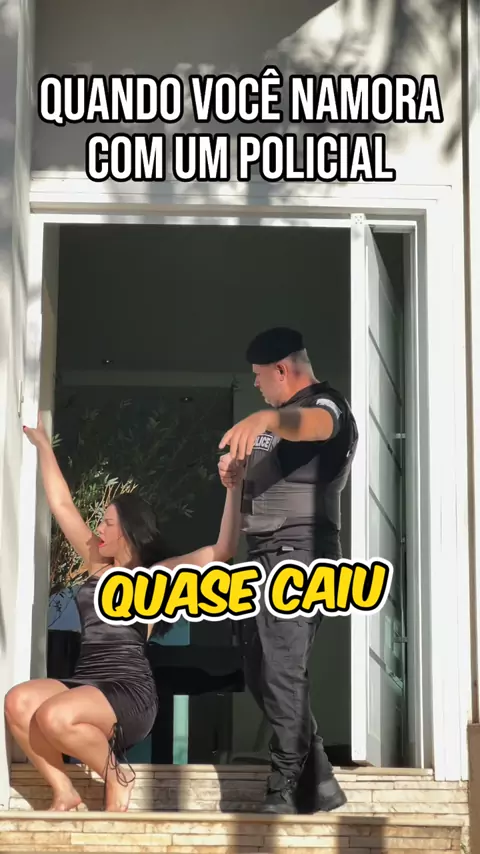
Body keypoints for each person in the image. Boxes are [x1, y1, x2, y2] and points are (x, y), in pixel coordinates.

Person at [4, 416, 242, 813]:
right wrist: (43, 446)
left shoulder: (157, 576)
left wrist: (234, 488)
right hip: (87, 680)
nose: (98, 528)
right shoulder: (96, 563)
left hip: (129, 691)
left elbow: (223, 549)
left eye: (107, 523)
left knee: (54, 716)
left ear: (127, 531)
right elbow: (61, 504)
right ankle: (64, 791)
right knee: (18, 702)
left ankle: (117, 776)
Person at [218, 327, 358, 816]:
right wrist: (238, 479)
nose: (256, 385)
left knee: (282, 669)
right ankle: (320, 781)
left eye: (260, 377)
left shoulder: (326, 406)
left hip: (299, 554)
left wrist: (267, 418)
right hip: (262, 557)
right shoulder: (279, 421)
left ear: (283, 369)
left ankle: (285, 788)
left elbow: (315, 425)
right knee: (261, 672)